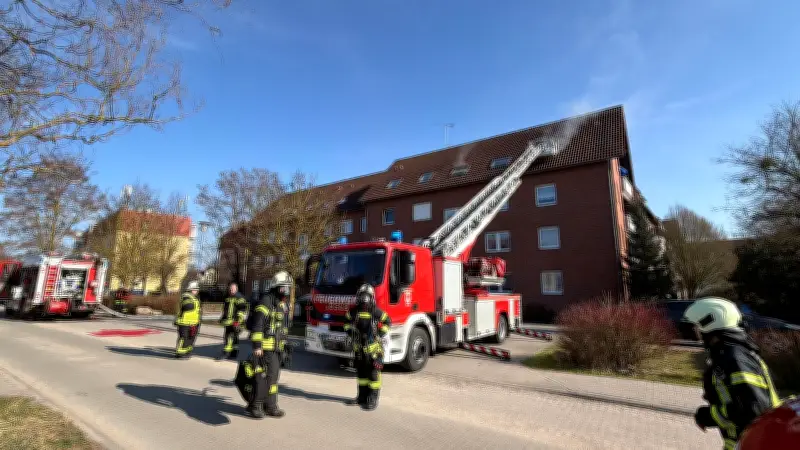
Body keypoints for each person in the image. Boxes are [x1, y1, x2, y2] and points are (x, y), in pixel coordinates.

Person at [683, 297, 782, 450]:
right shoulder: (732, 353)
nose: (696, 333)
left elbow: (752, 409)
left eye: (697, 327)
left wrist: (709, 415)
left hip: (754, 443)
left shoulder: (735, 357)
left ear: (710, 323)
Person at [247, 271, 292, 419]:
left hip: (277, 347)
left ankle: (270, 406)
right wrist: (257, 346)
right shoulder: (266, 301)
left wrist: (285, 345)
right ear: (276, 287)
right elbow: (258, 324)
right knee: (266, 378)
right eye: (284, 288)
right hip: (266, 347)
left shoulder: (281, 304)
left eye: (288, 288)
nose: (287, 291)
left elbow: (281, 327)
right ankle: (255, 405)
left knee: (274, 377)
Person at [343, 284, 391, 411]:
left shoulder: (376, 311)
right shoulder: (353, 312)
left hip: (373, 351)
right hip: (359, 351)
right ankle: (362, 397)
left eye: (367, 297)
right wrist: (350, 331)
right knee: (361, 375)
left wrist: (381, 333)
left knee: (374, 375)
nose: (364, 300)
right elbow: (346, 322)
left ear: (371, 298)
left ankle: (373, 399)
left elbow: (387, 321)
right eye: (362, 297)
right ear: (358, 297)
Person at [217, 282, 248, 361]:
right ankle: (234, 353)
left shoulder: (240, 298)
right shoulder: (228, 298)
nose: (231, 290)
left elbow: (242, 310)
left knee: (229, 337)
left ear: (236, 289)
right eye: (230, 289)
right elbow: (226, 310)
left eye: (233, 289)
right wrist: (222, 318)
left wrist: (237, 322)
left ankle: (226, 353)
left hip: (235, 322)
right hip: (228, 322)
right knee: (234, 338)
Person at [174, 281, 201, 359]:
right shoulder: (186, 296)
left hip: (193, 323)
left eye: (197, 289)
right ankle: (179, 353)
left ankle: (187, 352)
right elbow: (187, 306)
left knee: (191, 338)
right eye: (195, 289)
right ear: (190, 289)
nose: (197, 291)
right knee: (184, 338)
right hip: (184, 322)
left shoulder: (195, 298)